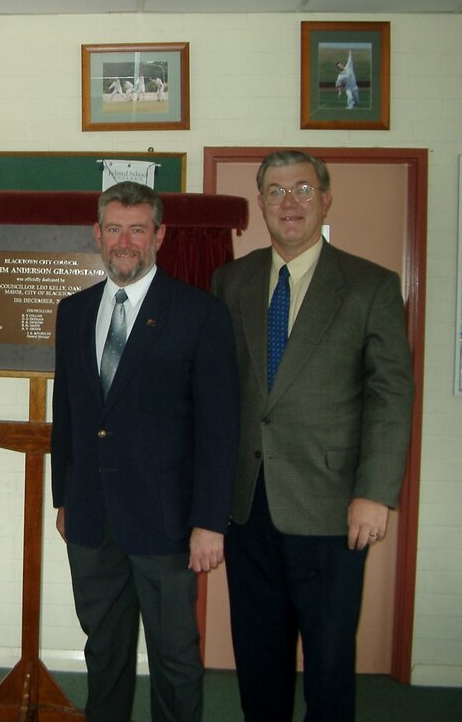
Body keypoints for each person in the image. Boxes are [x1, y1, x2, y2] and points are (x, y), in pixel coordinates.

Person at [210, 150, 414, 721]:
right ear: (261, 205)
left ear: (325, 198)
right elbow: (221, 393)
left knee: (327, 664)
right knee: (258, 659)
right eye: (275, 191)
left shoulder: (370, 286)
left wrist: (375, 492)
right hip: (248, 507)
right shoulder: (232, 280)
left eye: (302, 188)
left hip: (332, 510)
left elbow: (391, 397)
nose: (289, 202)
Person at [51, 181, 240, 722]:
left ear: (159, 235)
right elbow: (68, 414)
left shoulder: (199, 314)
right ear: (97, 234)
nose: (125, 241)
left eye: (138, 229)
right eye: (114, 229)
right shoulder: (73, 312)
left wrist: (210, 521)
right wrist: (65, 496)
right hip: (90, 518)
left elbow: (219, 428)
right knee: (103, 653)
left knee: (175, 659)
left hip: (168, 523)